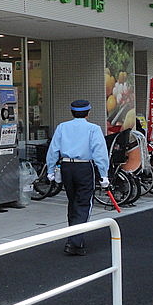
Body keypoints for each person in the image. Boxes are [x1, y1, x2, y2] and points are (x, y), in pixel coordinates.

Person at [45, 99, 110, 256]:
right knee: (83, 204)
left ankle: (76, 239)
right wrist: (104, 175)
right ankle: (74, 243)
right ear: (88, 113)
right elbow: (100, 153)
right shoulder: (93, 129)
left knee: (73, 202)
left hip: (66, 167)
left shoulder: (62, 127)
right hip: (84, 167)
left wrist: (50, 170)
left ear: (72, 112)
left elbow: (53, 149)